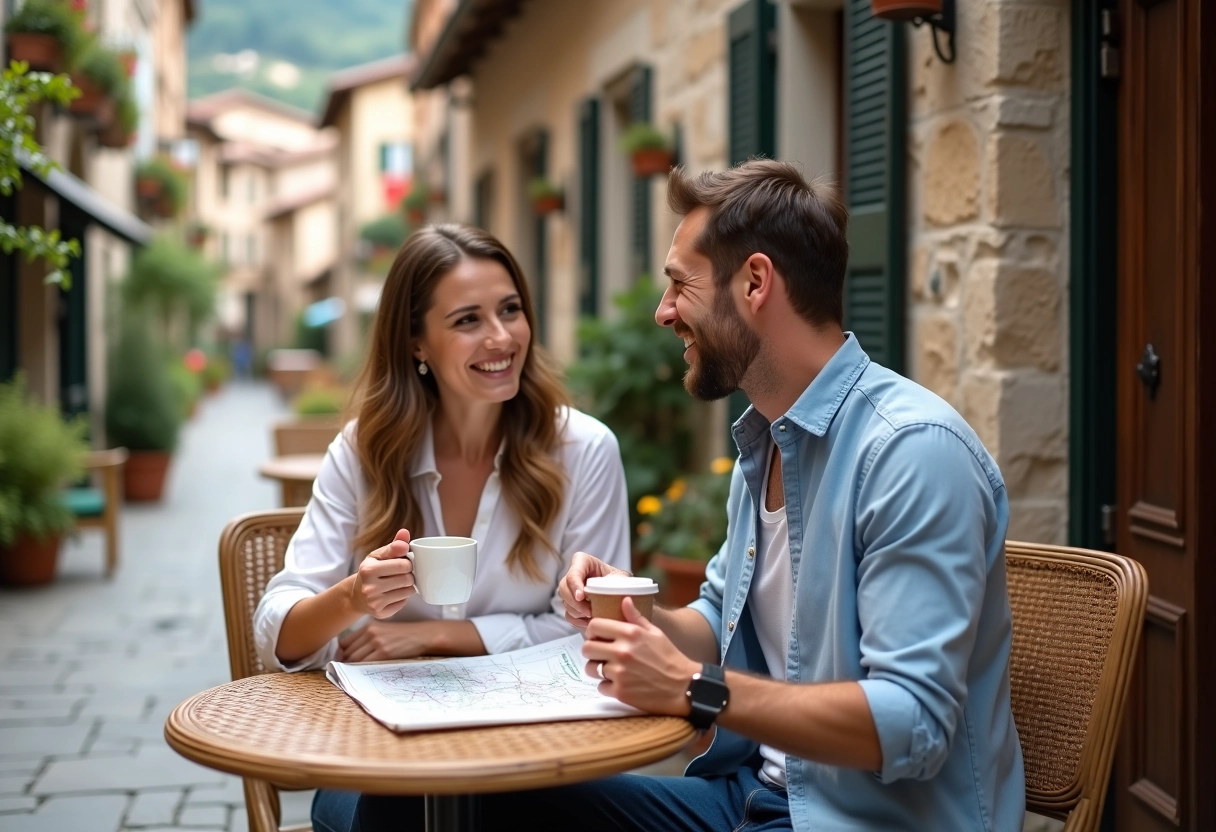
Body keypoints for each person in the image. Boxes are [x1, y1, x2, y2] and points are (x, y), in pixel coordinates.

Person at [355, 160, 1026, 831]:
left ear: (755, 283)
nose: (663, 311)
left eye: (680, 285)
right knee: (445, 803)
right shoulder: (765, 446)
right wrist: (626, 607)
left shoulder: (910, 452)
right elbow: (717, 620)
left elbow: (912, 723)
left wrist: (690, 687)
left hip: (860, 820)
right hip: (748, 803)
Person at [249, 225, 631, 832]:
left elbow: (593, 629)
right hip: (381, 759)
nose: (502, 337)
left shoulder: (583, 450)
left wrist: (434, 638)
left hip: (539, 755)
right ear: (416, 344)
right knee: (396, 808)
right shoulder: (363, 452)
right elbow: (277, 636)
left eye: (510, 310)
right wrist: (354, 596)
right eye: (467, 320)